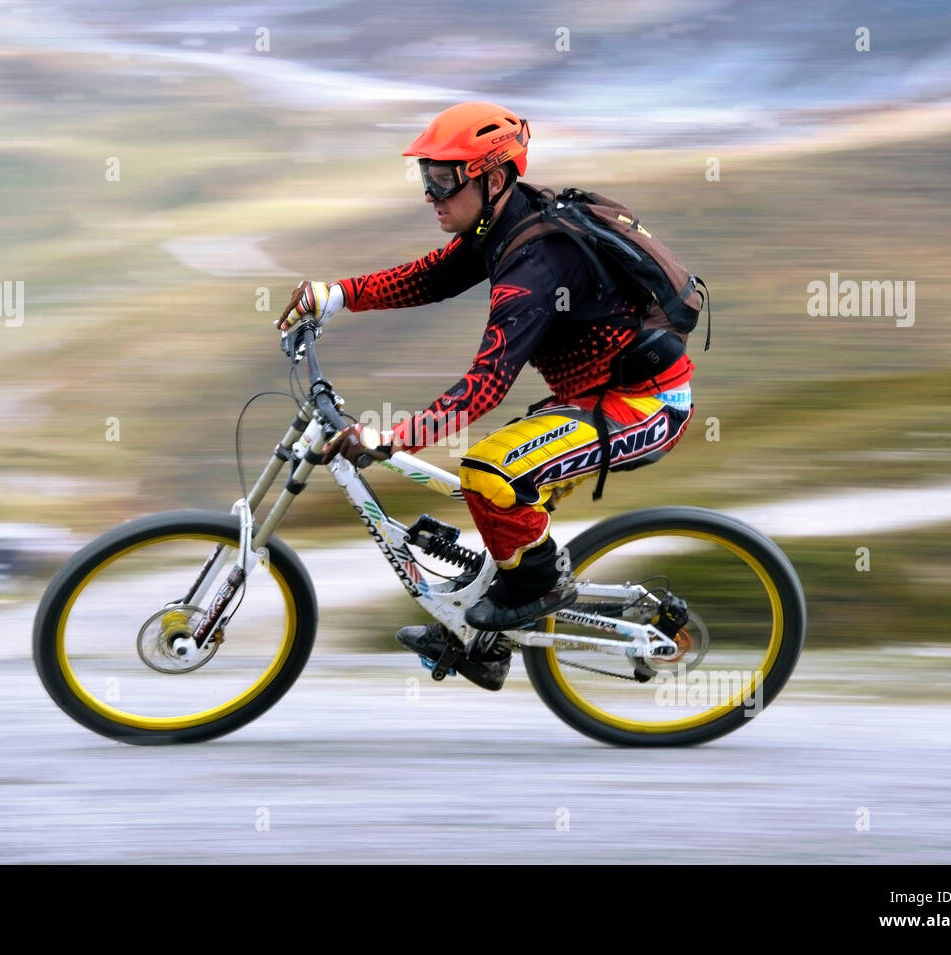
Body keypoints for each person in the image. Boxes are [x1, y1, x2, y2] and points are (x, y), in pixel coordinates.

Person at [276, 101, 695, 690]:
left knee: (490, 472)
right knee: (497, 501)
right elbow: (429, 277)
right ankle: (483, 643)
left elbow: (486, 386)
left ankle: (539, 588)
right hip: (587, 398)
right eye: (426, 176)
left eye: (443, 178)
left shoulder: (536, 264)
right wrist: (335, 295)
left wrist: (392, 438)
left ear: (493, 178)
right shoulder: (501, 222)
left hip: (642, 406)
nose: (430, 193)